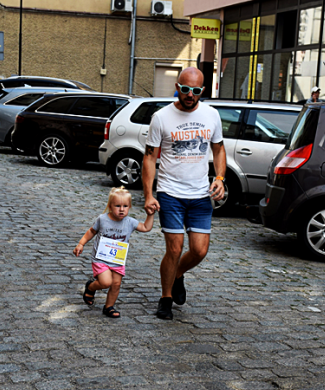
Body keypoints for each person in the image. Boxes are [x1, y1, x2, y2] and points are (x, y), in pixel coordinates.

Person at [142, 67, 226, 320]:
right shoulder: (161, 117)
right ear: (177, 88)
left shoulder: (212, 115)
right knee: (175, 247)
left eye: (196, 90)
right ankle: (165, 298)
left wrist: (220, 178)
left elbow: (219, 149)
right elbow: (148, 157)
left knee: (200, 250)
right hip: (170, 193)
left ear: (202, 91)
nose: (190, 94)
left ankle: (177, 274)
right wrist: (148, 194)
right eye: (186, 89)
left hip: (200, 194)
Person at [74, 187, 154, 318]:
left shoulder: (130, 222)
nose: (122, 209)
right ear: (110, 206)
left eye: (125, 206)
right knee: (106, 282)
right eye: (118, 206)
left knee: (116, 284)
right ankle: (90, 287)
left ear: (129, 207)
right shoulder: (103, 219)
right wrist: (81, 243)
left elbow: (145, 227)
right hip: (101, 258)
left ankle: (109, 306)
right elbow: (92, 231)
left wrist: (150, 214)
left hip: (117, 259)